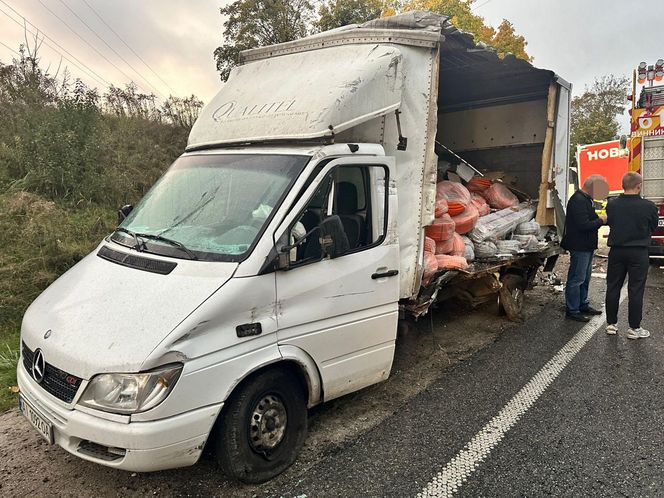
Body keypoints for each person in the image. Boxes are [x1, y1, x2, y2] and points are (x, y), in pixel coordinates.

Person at [605, 172, 659, 339]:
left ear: (623, 185)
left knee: (613, 286)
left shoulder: (612, 205)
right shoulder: (649, 206)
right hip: (638, 252)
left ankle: (611, 324)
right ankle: (634, 328)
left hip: (617, 251)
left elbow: (611, 222)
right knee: (635, 289)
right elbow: (654, 227)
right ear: (638, 186)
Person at [561, 174, 608, 322]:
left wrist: (603, 220)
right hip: (579, 246)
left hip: (587, 246)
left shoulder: (587, 200)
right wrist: (601, 220)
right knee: (577, 278)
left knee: (585, 277)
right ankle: (572, 309)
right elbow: (583, 225)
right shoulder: (578, 200)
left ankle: (582, 304)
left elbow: (590, 220)